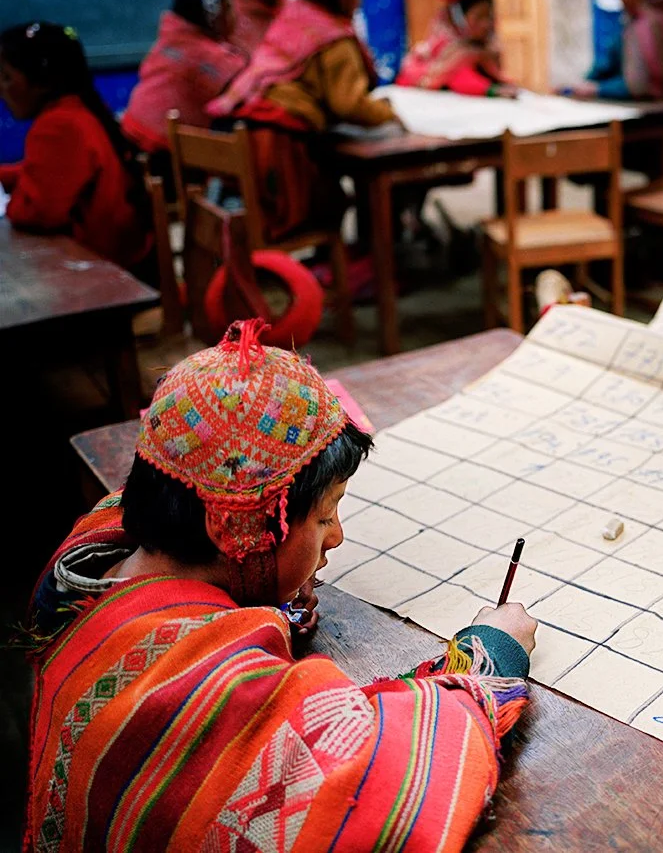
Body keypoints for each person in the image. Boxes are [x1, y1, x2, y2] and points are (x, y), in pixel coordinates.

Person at [23, 319, 537, 851]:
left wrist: (267, 594)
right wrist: (492, 654)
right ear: (241, 533)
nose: (337, 537)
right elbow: (370, 786)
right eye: (325, 516)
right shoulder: (202, 691)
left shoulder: (94, 549)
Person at [207, 0, 399, 241]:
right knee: (347, 192)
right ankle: (368, 259)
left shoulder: (292, 19)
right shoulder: (332, 37)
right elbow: (349, 104)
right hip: (280, 151)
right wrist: (390, 113)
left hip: (244, 134)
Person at [0, 23, 153, 275]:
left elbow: (35, 213)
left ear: (41, 83)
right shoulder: (76, 109)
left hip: (109, 276)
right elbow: (48, 172)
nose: (2, 89)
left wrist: (16, 200)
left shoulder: (58, 126)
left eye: (7, 77)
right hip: (126, 261)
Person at [122, 0, 247, 156]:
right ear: (214, 15)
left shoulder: (171, 38)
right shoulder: (208, 56)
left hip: (133, 138)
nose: (236, 14)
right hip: (163, 152)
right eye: (229, 6)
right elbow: (247, 89)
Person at [397, 0, 518, 98]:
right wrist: (493, 91)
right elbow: (461, 79)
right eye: (478, 18)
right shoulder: (450, 48)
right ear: (458, 19)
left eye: (489, 16)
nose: (486, 24)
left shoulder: (487, 45)